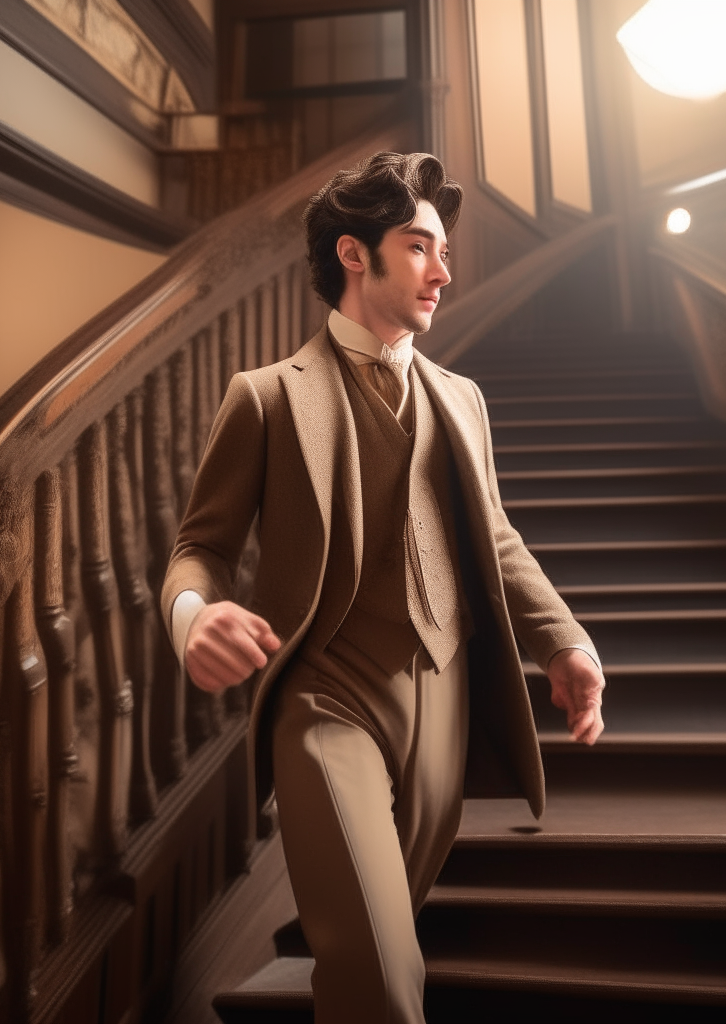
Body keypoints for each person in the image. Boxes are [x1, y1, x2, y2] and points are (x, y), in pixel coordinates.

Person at [161, 151, 605, 1024]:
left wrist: (564, 641)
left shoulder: (463, 399)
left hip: (446, 701)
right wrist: (194, 615)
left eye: (443, 250)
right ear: (354, 254)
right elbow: (198, 546)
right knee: (384, 968)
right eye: (419, 247)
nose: (444, 271)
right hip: (326, 699)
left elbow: (499, 539)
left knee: (370, 957)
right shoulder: (265, 398)